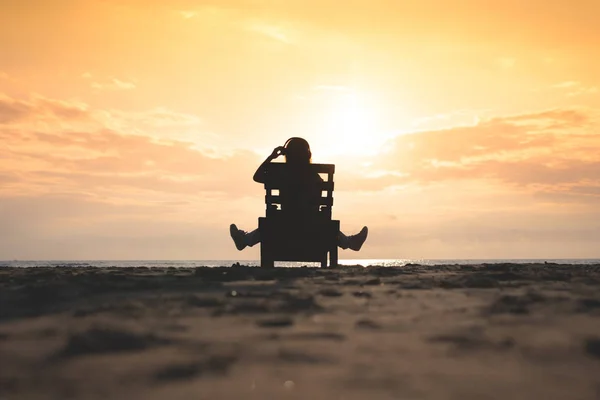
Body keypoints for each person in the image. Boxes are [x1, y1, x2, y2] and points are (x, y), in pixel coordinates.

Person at [229, 137, 368, 251]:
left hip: (282, 226)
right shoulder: (315, 177)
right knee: (324, 221)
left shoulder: (280, 175)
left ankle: (244, 240)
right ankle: (349, 242)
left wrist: (271, 157)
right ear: (308, 154)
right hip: (313, 228)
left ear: (286, 154)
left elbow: (257, 177)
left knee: (271, 222)